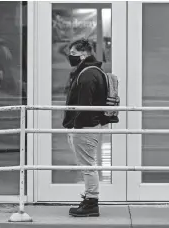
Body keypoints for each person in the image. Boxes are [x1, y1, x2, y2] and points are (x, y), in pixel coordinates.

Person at [63, 39, 111, 217]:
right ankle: (89, 199)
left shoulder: (88, 74)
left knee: (88, 165)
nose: (71, 57)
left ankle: (91, 203)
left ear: (83, 55)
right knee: (87, 164)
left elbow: (85, 105)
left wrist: (76, 126)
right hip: (90, 125)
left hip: (86, 127)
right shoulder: (94, 71)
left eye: (73, 54)